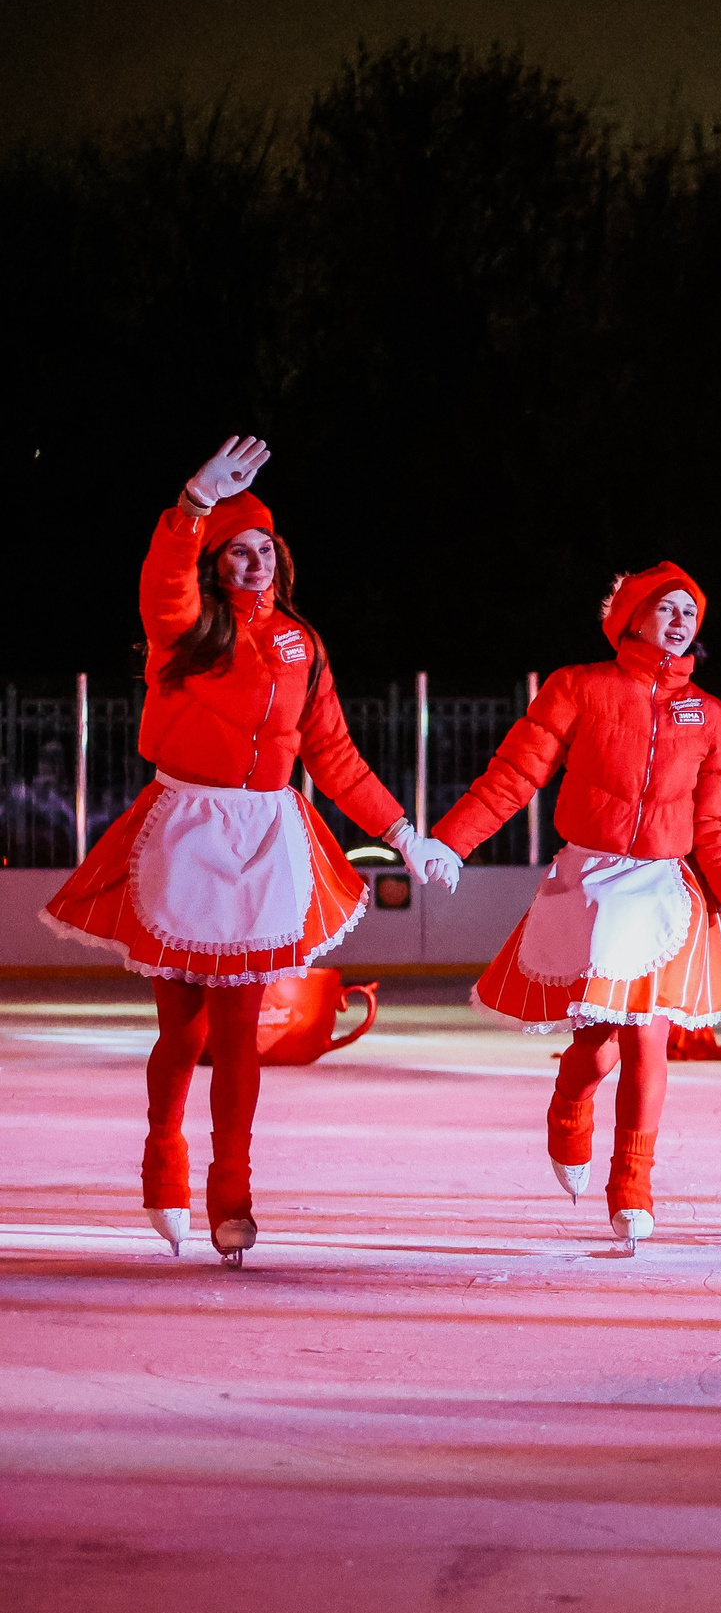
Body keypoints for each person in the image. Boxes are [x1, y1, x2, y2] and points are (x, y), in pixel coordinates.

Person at [40, 437, 462, 1264]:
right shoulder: (184, 629)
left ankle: (231, 1190)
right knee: (184, 1030)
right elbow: (162, 584)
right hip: (188, 829)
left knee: (241, 1032)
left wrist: (403, 833)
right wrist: (192, 505)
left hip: (268, 833)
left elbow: (333, 753)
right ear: (212, 561)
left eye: (264, 547)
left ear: (281, 557)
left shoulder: (302, 642)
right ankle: (163, 1158)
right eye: (236, 550)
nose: (253, 561)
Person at [430, 562, 721, 1251]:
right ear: (631, 617)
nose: (679, 621)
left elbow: (716, 825)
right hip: (593, 883)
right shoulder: (578, 686)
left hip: (662, 888)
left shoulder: (713, 716)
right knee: (598, 1048)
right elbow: (515, 773)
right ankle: (570, 1105)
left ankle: (631, 1183)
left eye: (690, 612)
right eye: (665, 608)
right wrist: (453, 841)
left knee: (648, 1041)